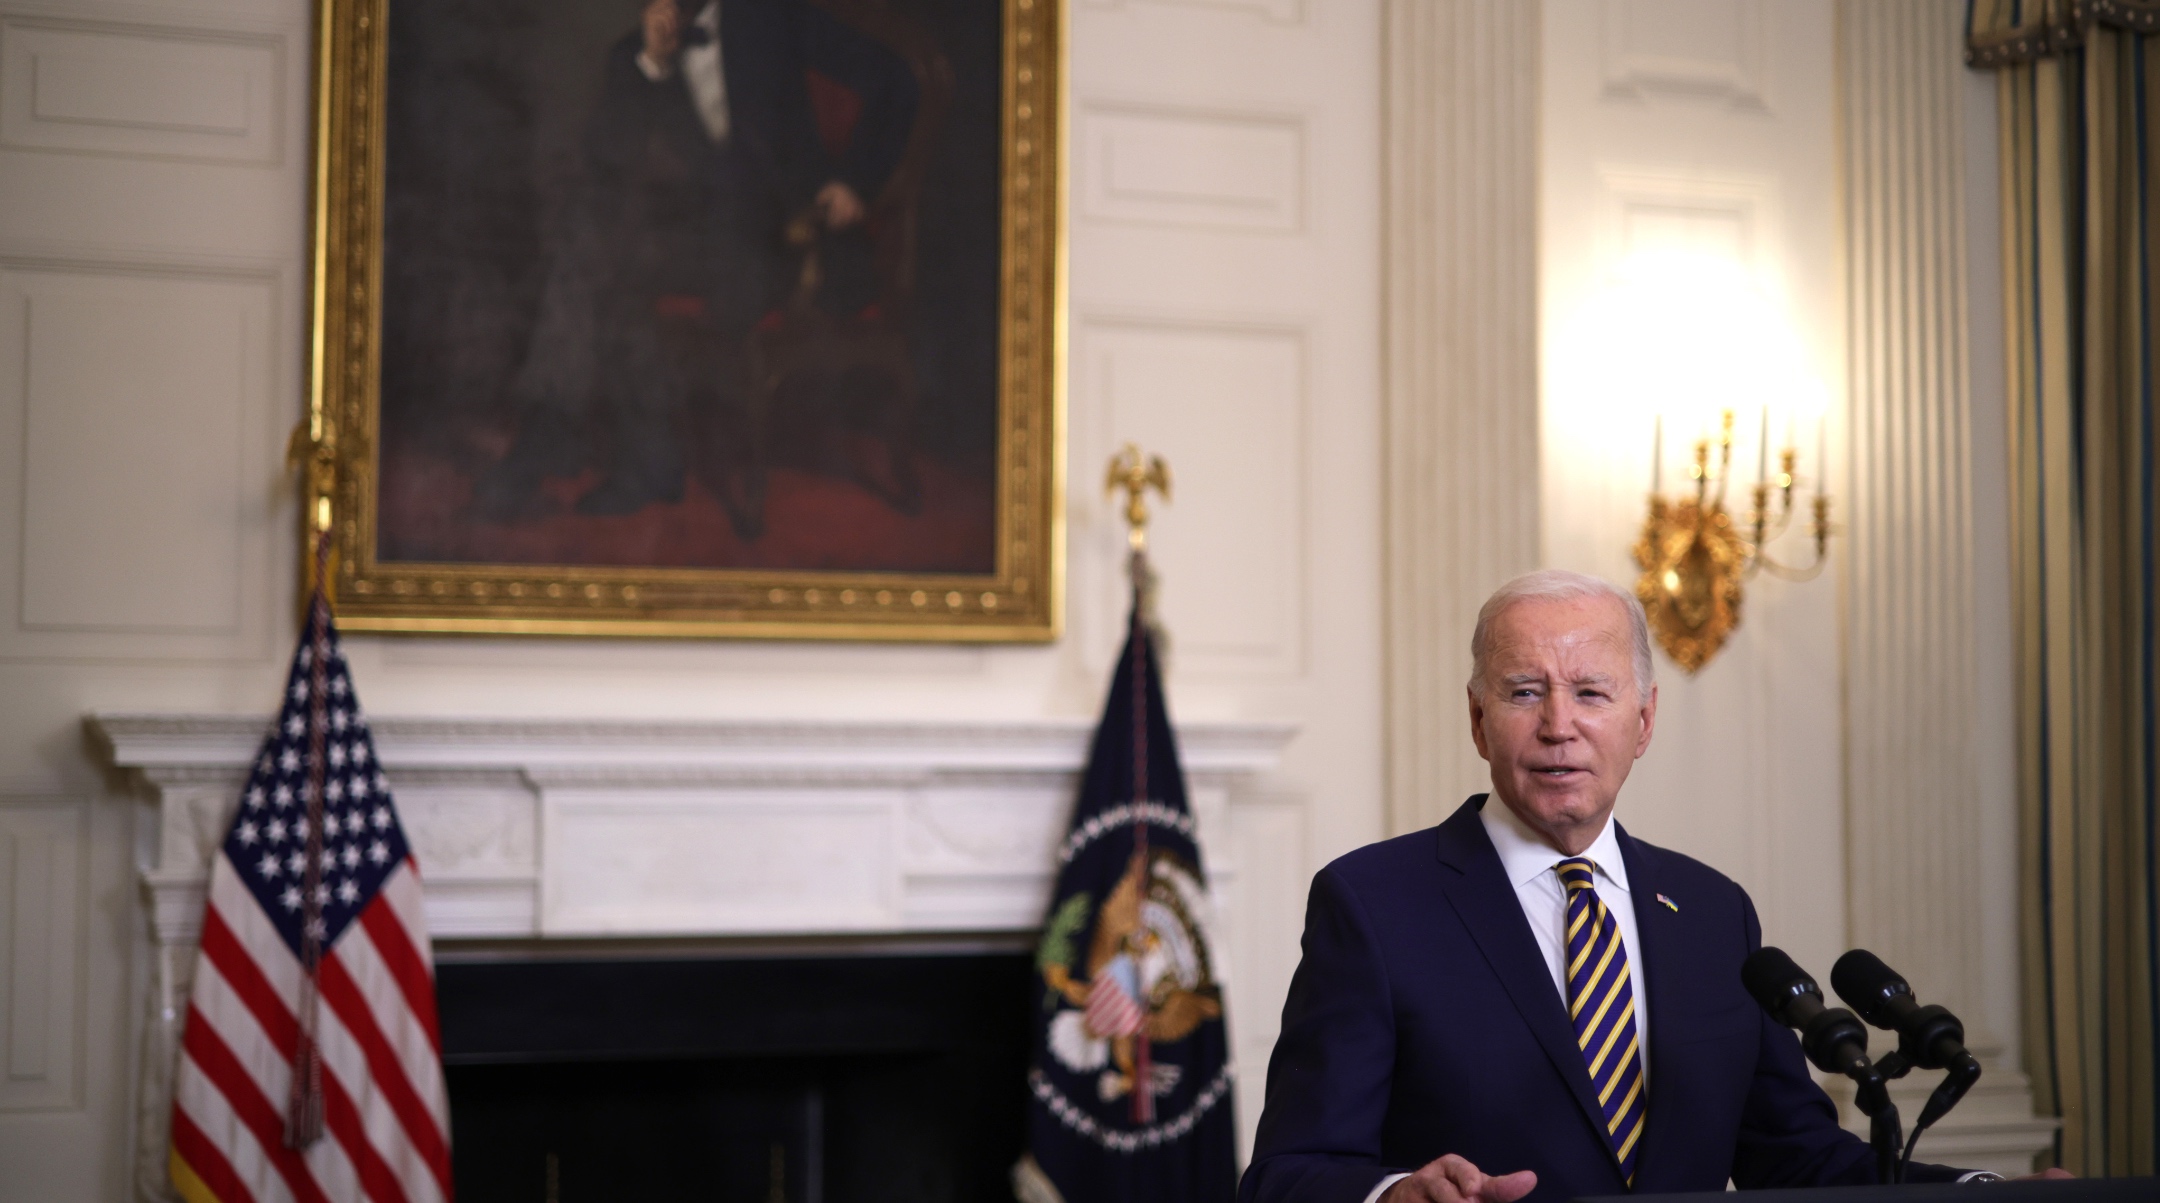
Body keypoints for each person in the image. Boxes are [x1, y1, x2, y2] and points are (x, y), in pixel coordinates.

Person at [1240, 570, 2058, 1203]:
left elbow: (1799, 1157)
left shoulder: (1712, 913)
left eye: (1592, 692)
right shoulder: (1375, 904)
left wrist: (1976, 1192)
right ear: (1479, 720)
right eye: (1526, 692)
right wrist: (1394, 1194)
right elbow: (1287, 1173)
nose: (1560, 725)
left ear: (1645, 720)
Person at [474, 0, 917, 526]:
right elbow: (607, 165)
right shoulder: (634, 53)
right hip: (714, 244)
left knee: (609, 255)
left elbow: (897, 79)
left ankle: (566, 440)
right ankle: (622, 453)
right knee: (596, 244)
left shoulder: (773, 17)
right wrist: (653, 67)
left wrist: (853, 181)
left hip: (795, 242)